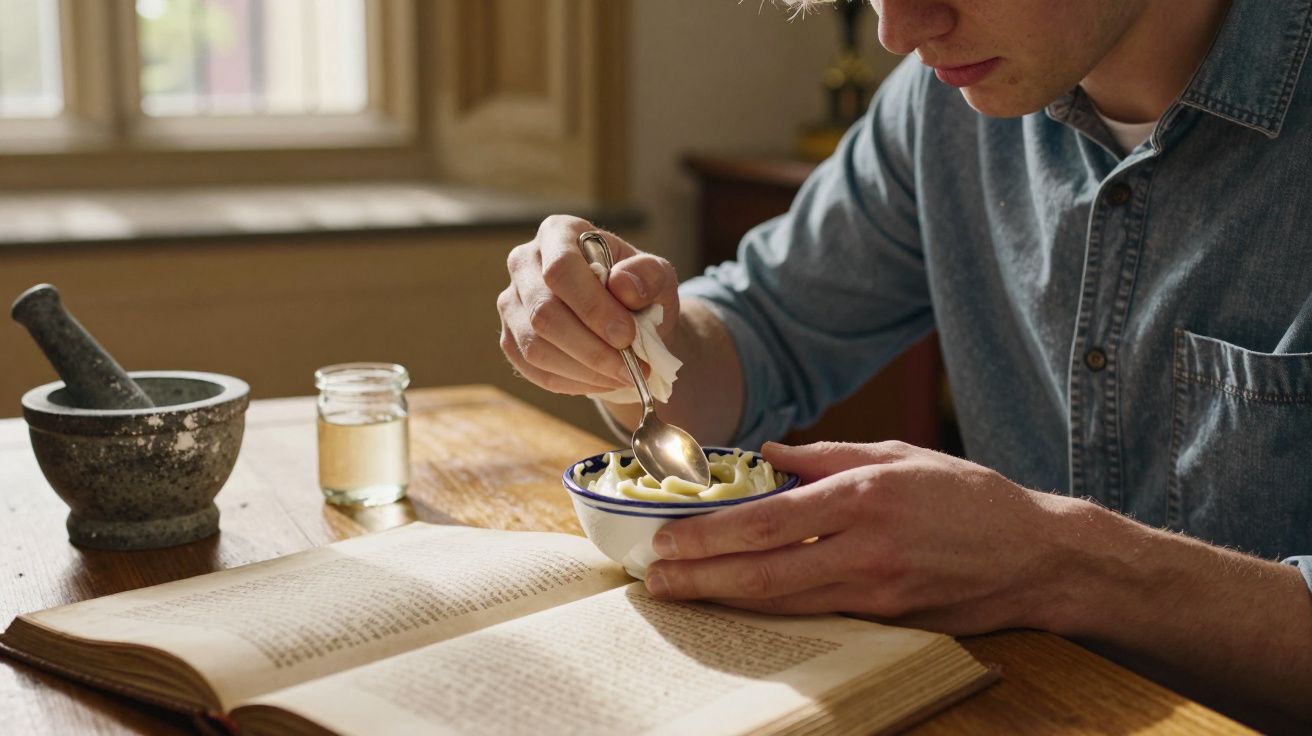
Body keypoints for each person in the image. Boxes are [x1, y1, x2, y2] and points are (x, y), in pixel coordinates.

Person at [497, 0, 1312, 727]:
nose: (897, 31)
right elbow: (761, 329)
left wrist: (1060, 564)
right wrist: (623, 339)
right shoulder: (942, 104)